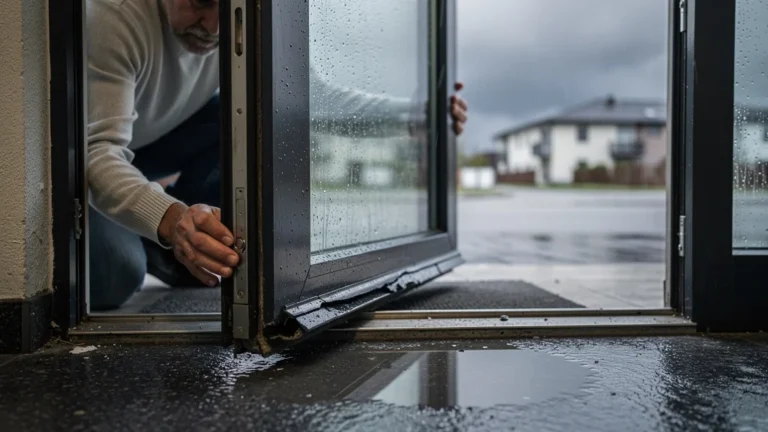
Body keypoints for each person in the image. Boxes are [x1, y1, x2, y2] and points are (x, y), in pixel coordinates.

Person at [85, 0, 470, 310]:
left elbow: (309, 98)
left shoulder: (244, 18)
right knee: (114, 278)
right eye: (201, 3)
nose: (215, 27)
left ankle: (170, 247)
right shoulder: (115, 16)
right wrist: (169, 217)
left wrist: (420, 114)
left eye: (226, 6)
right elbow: (97, 152)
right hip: (87, 160)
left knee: (252, 114)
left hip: (155, 144)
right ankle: (159, 231)